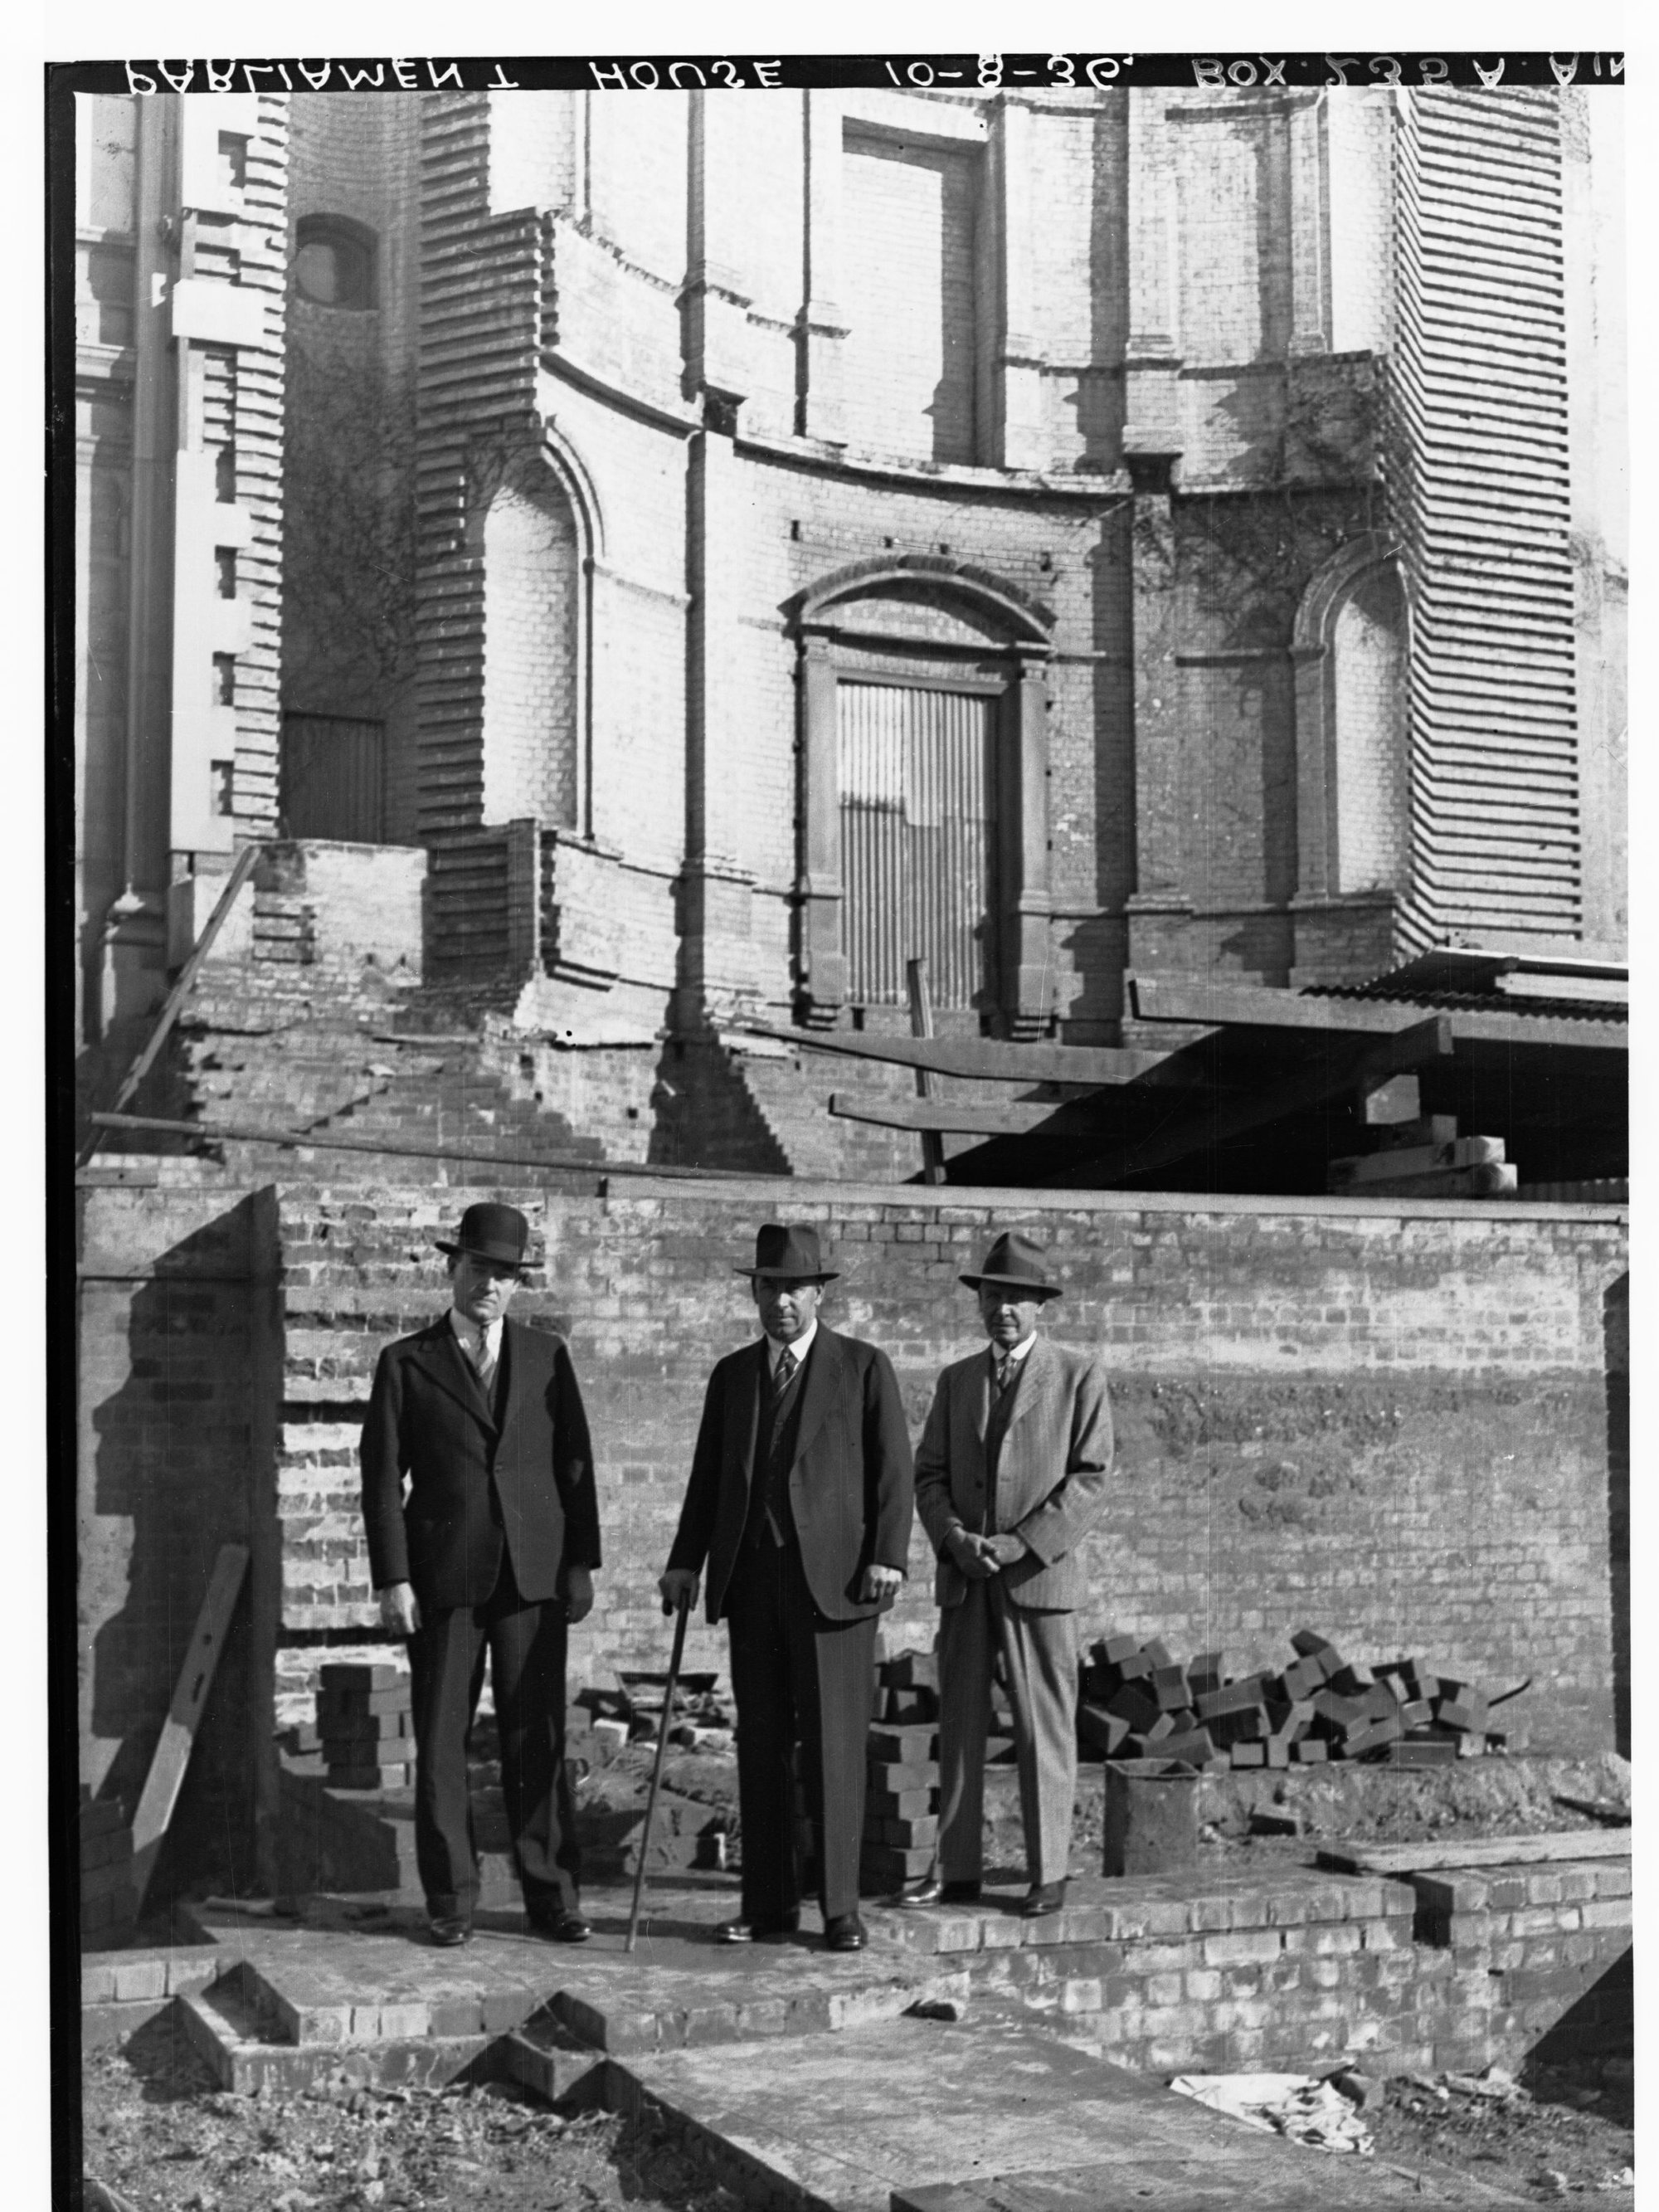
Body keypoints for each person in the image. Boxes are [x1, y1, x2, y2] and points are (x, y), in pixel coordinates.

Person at [659, 1222, 913, 1952]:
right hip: (752, 1583)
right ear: (755, 1292)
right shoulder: (733, 1376)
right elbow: (707, 1481)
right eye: (769, 1288)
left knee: (834, 1747)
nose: (781, 1303)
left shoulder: (862, 1368)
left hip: (836, 1587)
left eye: (795, 1289)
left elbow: (893, 1471)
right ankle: (767, 1906)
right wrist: (686, 1561)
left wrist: (888, 1556)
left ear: (818, 1294)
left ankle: (838, 1910)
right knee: (762, 1746)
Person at [359, 1201, 601, 1947]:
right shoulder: (407, 1361)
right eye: (479, 1269)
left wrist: (581, 1564)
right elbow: (380, 1480)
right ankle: (451, 1900)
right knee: (441, 1741)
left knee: (537, 1738)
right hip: (444, 1581)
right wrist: (394, 1579)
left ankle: (553, 1897)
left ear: (517, 1284)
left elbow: (576, 1466)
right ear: (452, 1268)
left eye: (505, 1275)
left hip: (532, 1577)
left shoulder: (545, 1357)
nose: (490, 1286)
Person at [911, 1230, 1112, 1919]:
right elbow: (929, 1474)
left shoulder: (1077, 1375)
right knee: (960, 1722)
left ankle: (1048, 1872)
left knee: (1043, 1725)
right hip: (967, 1576)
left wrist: (1021, 1543)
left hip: (1037, 1579)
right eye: (994, 1296)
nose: (1004, 1310)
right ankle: (958, 1869)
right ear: (981, 1302)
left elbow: (1091, 1480)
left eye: (1018, 1299)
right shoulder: (957, 1380)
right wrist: (954, 1537)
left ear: (1040, 1307)